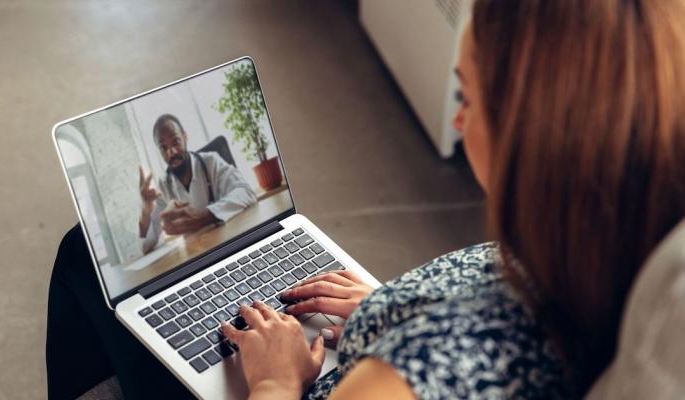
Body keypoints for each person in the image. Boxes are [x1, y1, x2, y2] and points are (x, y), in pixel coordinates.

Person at [46, 0, 685, 399]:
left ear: (535, 132)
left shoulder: (423, 371)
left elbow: (239, 194)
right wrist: (391, 307)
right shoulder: (622, 251)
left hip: (296, 378)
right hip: (353, 331)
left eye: (466, 97)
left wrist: (273, 380)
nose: (459, 126)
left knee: (83, 259)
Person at [138, 113, 256, 254]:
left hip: (231, 245)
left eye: (176, 142)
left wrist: (204, 216)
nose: (171, 152)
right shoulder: (164, 184)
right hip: (198, 255)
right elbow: (146, 246)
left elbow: (246, 191)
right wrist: (146, 209)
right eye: (163, 147)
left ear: (185, 137)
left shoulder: (211, 162)